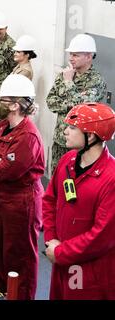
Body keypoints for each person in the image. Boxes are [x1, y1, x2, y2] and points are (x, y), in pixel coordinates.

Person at [0, 74, 45, 299]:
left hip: (21, 200)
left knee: (20, 252)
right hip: (0, 195)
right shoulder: (3, 126)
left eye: (3, 100)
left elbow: (10, 170)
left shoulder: (28, 136)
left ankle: (22, 294)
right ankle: (3, 281)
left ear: (15, 105)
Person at [43, 102, 115, 300]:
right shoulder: (68, 161)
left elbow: (101, 237)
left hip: (88, 271)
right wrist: (51, 240)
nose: (65, 131)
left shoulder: (111, 178)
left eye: (72, 128)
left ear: (90, 135)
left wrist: (61, 252)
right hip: (61, 258)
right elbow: (49, 200)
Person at [46, 34, 106, 173]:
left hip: (80, 144)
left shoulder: (96, 81)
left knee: (74, 183)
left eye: (75, 55)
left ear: (89, 56)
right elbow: (50, 101)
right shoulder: (65, 74)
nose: (70, 58)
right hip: (60, 139)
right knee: (57, 178)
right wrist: (70, 104)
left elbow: (81, 109)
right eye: (70, 54)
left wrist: (68, 83)